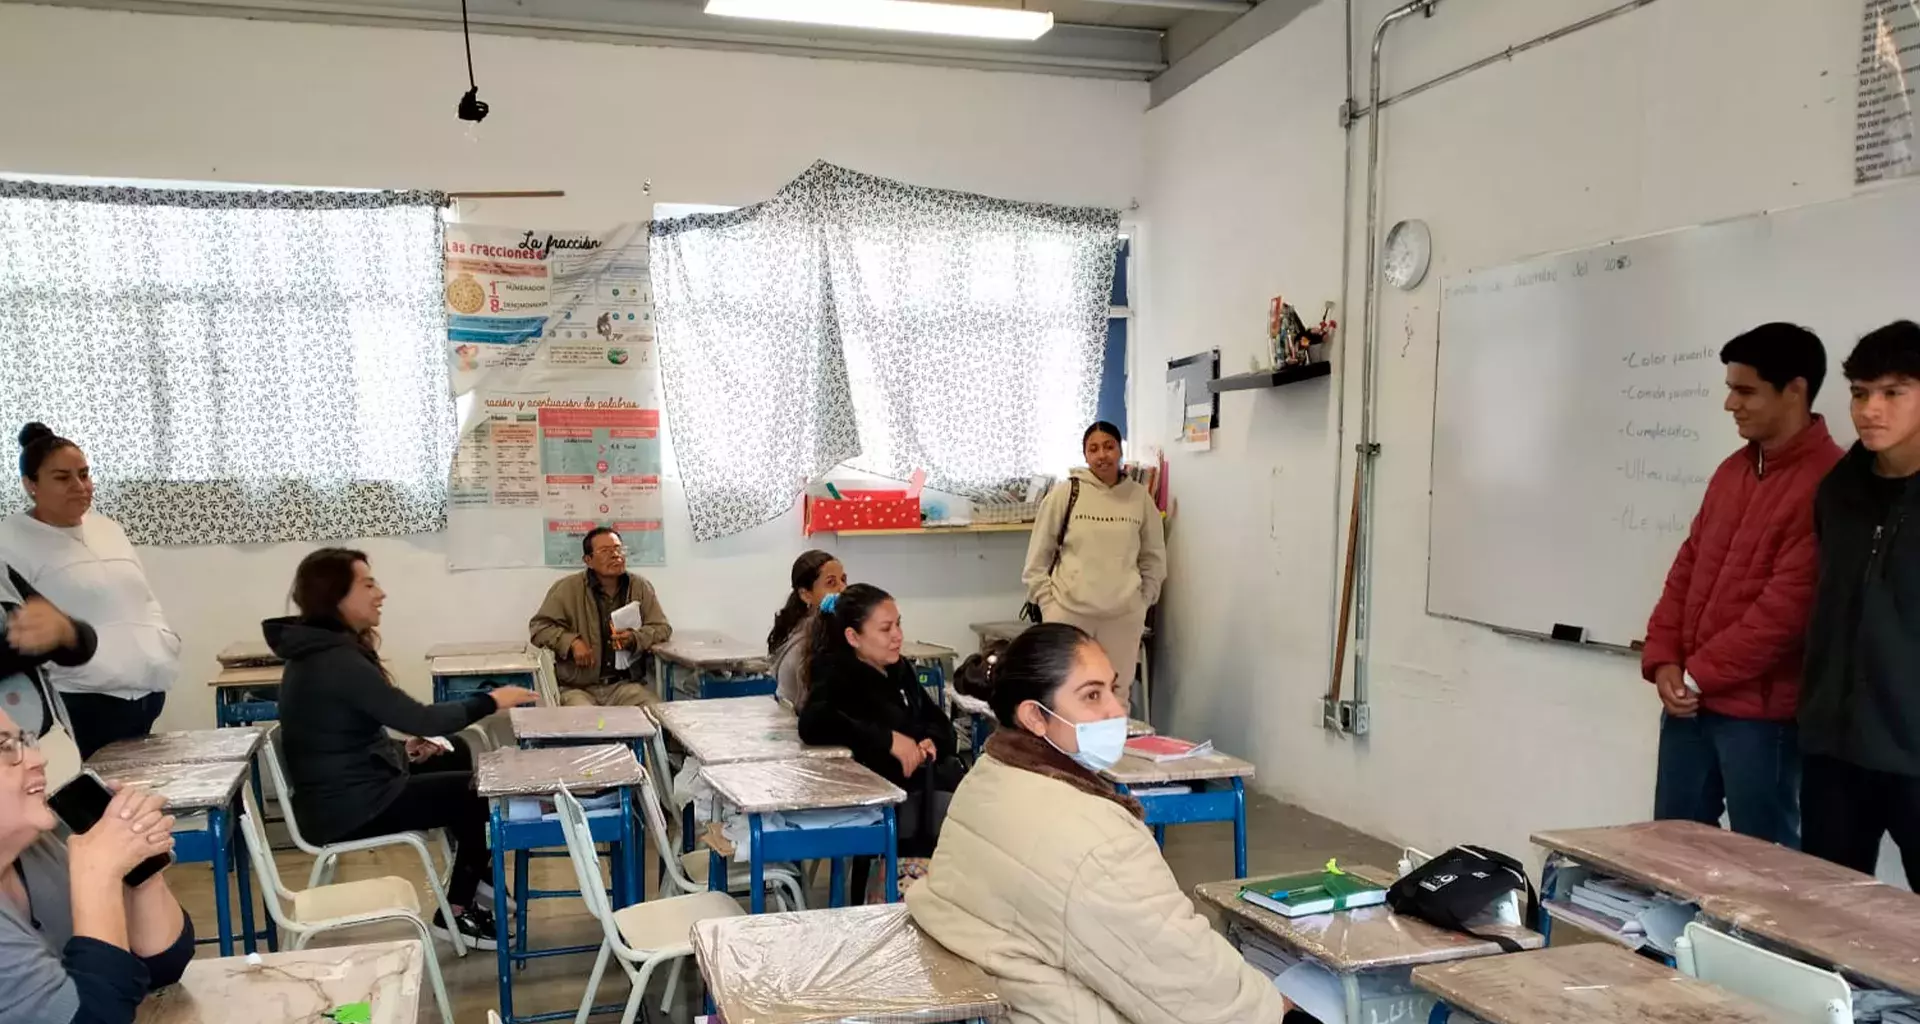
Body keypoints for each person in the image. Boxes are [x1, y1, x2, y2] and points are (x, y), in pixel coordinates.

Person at [905, 623, 1291, 1024]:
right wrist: (1275, 1007)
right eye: (1091, 695)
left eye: (1113, 688)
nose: (1116, 710)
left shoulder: (988, 774)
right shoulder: (1095, 838)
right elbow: (1191, 986)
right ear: (1035, 716)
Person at [267, 548, 537, 950]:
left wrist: (404, 752)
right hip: (347, 808)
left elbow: (346, 737)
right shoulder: (334, 660)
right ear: (335, 594)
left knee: (455, 751)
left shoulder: (322, 652)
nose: (381, 593)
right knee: (477, 792)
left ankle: (478, 876)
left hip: (345, 792)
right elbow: (421, 718)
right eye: (368, 584)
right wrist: (493, 699)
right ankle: (459, 910)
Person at [1640, 323, 1841, 847]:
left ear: (1794, 390)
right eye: (1730, 388)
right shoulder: (1732, 471)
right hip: (1690, 704)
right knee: (1669, 853)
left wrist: (1697, 675)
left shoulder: (1831, 484)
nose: (1730, 403)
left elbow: (1787, 612)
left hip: (1762, 719)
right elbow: (1686, 567)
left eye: (1745, 390)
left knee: (1765, 872)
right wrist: (1664, 659)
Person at [1801, 320, 1920, 880]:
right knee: (1823, 913)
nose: (1871, 409)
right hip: (1836, 748)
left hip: (1914, 750)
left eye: (1893, 392)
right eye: (1859, 393)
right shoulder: (1838, 490)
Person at [0, 707, 194, 1024]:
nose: (38, 759)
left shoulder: (39, 847)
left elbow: (162, 966)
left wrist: (140, 871)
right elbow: (97, 1016)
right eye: (3, 747)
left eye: (27, 740)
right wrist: (98, 877)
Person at [0, 425, 179, 758]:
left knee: (132, 803)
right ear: (31, 485)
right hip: (79, 703)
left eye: (84, 474)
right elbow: (19, 627)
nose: (80, 486)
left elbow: (143, 599)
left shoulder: (108, 528)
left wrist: (164, 645)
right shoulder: (10, 541)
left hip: (144, 697)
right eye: (62, 477)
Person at [797, 583, 955, 902]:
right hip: (886, 807)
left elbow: (939, 723)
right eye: (885, 628)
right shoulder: (837, 676)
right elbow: (813, 724)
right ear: (853, 637)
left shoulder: (900, 669)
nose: (897, 635)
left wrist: (929, 741)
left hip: (923, 795)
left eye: (898, 624)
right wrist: (888, 740)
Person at [1021, 421, 1165, 712]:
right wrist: (1050, 605)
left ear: (1120, 450)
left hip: (1123, 616)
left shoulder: (1139, 498)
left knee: (1116, 694)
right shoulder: (1066, 493)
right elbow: (1037, 560)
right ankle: (1067, 758)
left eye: (1109, 447)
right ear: (1085, 455)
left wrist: (1142, 601)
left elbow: (1153, 557)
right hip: (1069, 614)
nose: (1102, 455)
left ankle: (1114, 756)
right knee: (1065, 693)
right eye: (1094, 448)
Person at [529, 527, 672, 707]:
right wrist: (571, 642)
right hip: (578, 687)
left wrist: (635, 638)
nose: (615, 555)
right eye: (605, 551)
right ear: (588, 560)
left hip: (624, 686)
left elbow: (662, 627)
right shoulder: (567, 588)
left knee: (658, 716)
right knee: (587, 725)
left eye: (618, 549)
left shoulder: (639, 587)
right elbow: (539, 628)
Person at [2, 565, 96, 744]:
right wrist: (27, 644)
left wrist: (66, 632)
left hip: (42, 747)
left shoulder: (3, 574)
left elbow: (81, 644)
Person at [768, 549, 845, 707]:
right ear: (806, 595)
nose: (843, 589)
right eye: (831, 583)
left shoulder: (805, 626)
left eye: (843, 580)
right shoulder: (810, 642)